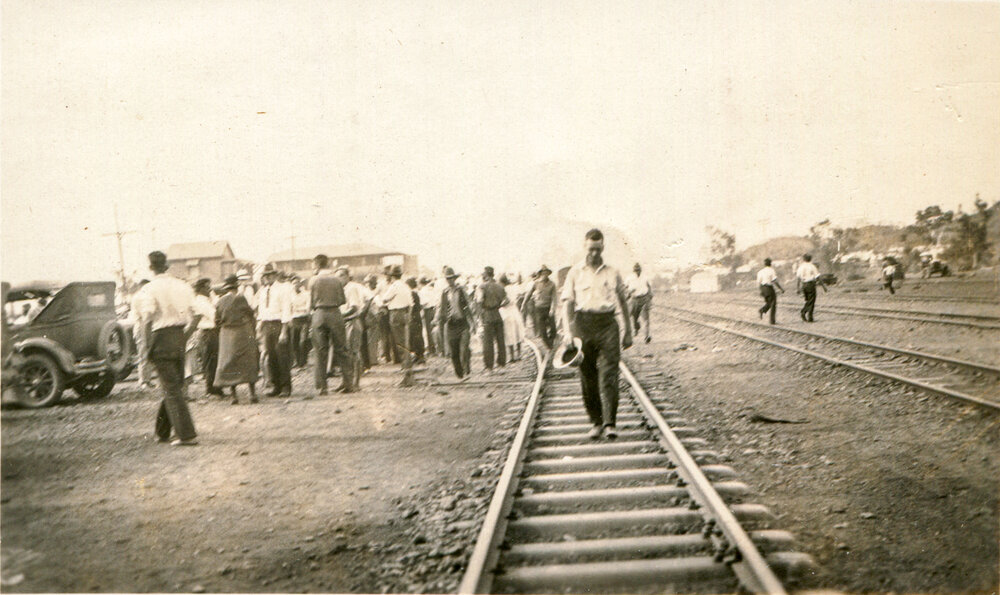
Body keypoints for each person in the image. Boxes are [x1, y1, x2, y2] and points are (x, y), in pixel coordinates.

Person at [559, 229, 633, 440]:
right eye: (591, 249)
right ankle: (596, 422)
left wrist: (628, 330)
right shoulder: (575, 272)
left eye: (598, 249)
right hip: (583, 325)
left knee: (609, 374)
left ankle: (610, 423)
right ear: (584, 247)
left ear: (603, 248)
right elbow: (567, 304)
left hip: (607, 325)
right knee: (587, 376)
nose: (594, 253)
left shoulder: (612, 272)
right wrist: (567, 332)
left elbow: (623, 302)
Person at [135, 251, 201, 446]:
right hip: (179, 336)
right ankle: (162, 432)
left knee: (171, 388)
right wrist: (184, 337)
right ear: (167, 265)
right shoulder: (183, 286)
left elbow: (147, 320)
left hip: (160, 338)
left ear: (151, 267)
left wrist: (146, 347)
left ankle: (186, 435)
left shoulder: (149, 289)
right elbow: (198, 314)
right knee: (174, 386)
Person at [309, 254, 353, 395]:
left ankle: (323, 387)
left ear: (317, 265)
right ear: (327, 264)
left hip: (319, 314)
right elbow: (342, 300)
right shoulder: (336, 280)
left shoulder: (313, 280)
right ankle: (348, 383)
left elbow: (311, 303)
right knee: (342, 349)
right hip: (335, 313)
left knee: (320, 351)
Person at [214, 274, 260, 404]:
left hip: (227, 334)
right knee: (248, 361)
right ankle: (252, 394)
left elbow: (216, 320)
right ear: (236, 286)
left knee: (229, 362)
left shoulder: (220, 301)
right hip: (242, 332)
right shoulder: (241, 298)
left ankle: (234, 396)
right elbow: (250, 314)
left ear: (226, 287)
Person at [256, 265, 293, 397]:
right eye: (265, 275)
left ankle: (285, 387)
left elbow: (286, 309)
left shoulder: (282, 289)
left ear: (275, 275)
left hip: (278, 324)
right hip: (267, 325)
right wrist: (259, 327)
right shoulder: (263, 291)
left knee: (282, 356)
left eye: (270, 275)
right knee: (271, 356)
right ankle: (275, 386)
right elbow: (261, 311)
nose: (267, 277)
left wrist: (284, 331)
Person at [435, 267, 475, 379]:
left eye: (451, 278)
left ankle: (466, 369)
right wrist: (437, 319)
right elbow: (440, 308)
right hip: (451, 324)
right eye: (447, 279)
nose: (450, 280)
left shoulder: (461, 290)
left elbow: (469, 305)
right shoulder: (444, 292)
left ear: (454, 278)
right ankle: (460, 374)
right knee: (453, 352)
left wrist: (473, 323)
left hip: (462, 323)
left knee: (464, 348)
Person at [336, 266, 370, 392]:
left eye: (341, 276)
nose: (338, 279)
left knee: (354, 353)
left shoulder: (351, 288)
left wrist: (339, 316)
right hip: (345, 323)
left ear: (347, 276)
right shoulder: (342, 289)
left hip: (352, 322)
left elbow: (354, 308)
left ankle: (355, 383)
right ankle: (346, 382)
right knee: (345, 354)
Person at [381, 265, 415, 387]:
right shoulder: (406, 286)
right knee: (405, 344)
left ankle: (407, 376)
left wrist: (386, 301)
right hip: (405, 313)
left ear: (392, 276)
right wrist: (408, 316)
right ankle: (408, 373)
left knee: (400, 345)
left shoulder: (394, 286)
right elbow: (411, 304)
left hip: (395, 313)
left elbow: (384, 299)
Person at [192, 278, 223, 397]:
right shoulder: (201, 301)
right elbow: (214, 315)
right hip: (208, 332)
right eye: (207, 287)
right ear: (201, 289)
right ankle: (211, 388)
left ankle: (215, 387)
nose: (209, 289)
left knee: (214, 359)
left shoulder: (206, 299)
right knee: (211, 360)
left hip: (211, 331)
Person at [477, 266, 507, 373]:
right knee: (500, 340)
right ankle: (501, 365)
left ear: (485, 275)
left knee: (488, 342)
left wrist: (480, 315)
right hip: (498, 314)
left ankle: (489, 367)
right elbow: (506, 300)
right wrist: (498, 305)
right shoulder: (500, 287)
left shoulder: (482, 286)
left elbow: (480, 300)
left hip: (487, 315)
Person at [522, 266, 557, 350]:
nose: (545, 274)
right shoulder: (536, 283)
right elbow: (528, 294)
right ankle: (549, 347)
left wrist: (552, 309)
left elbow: (554, 298)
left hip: (548, 308)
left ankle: (551, 341)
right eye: (543, 273)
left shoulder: (552, 284)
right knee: (542, 330)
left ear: (548, 273)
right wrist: (523, 304)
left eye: (546, 273)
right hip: (539, 309)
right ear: (540, 274)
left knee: (553, 328)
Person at [129, 280, 155, 389]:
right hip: (142, 324)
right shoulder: (141, 297)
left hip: (143, 324)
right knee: (144, 352)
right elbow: (146, 315)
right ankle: (144, 380)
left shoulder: (139, 296)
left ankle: (147, 379)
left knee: (146, 352)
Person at [499, 274, 525, 362]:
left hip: (507, 312)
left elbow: (507, 300)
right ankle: (519, 354)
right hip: (514, 311)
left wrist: (499, 305)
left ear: (502, 282)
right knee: (517, 333)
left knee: (509, 334)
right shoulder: (512, 288)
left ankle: (512, 356)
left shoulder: (504, 289)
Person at [625, 263, 653, 343]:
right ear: (633, 271)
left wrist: (650, 296)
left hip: (644, 299)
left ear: (641, 270)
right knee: (634, 317)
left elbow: (649, 286)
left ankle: (646, 337)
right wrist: (628, 292)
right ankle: (636, 327)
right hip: (634, 299)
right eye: (636, 270)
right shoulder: (629, 278)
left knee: (646, 319)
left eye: (638, 270)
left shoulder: (645, 277)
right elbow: (624, 287)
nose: (637, 272)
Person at [795, 254, 826, 322]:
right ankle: (808, 315)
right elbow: (818, 277)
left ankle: (805, 313)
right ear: (810, 259)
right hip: (811, 285)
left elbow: (798, 278)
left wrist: (798, 288)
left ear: (804, 259)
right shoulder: (812, 266)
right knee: (811, 301)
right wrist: (824, 286)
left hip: (804, 285)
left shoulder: (801, 267)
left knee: (808, 300)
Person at [290, 277, 311, 368]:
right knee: (294, 341)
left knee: (303, 341)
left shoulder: (306, 294)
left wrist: (297, 309)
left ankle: (303, 361)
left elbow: (307, 308)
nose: (296, 285)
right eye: (294, 283)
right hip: (294, 320)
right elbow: (289, 308)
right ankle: (297, 361)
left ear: (300, 284)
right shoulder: (290, 295)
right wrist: (299, 309)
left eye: (297, 282)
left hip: (304, 319)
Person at [756, 258, 785, 324]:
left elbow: (758, 283)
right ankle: (772, 321)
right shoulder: (771, 270)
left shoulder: (760, 272)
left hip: (762, 288)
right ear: (770, 263)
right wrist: (781, 289)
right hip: (769, 288)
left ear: (764, 264)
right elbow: (775, 281)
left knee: (769, 302)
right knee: (773, 303)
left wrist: (760, 291)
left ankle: (762, 310)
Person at [405, 277, 426, 364]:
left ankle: (420, 356)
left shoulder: (412, 293)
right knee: (416, 336)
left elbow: (413, 306)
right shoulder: (415, 293)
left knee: (416, 336)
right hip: (416, 316)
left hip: (414, 316)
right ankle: (418, 355)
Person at [417, 277, 438, 356]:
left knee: (429, 331)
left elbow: (424, 302)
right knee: (434, 329)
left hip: (427, 310)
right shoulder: (432, 289)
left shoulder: (422, 291)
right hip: (434, 309)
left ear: (420, 283)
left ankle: (432, 349)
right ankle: (437, 347)